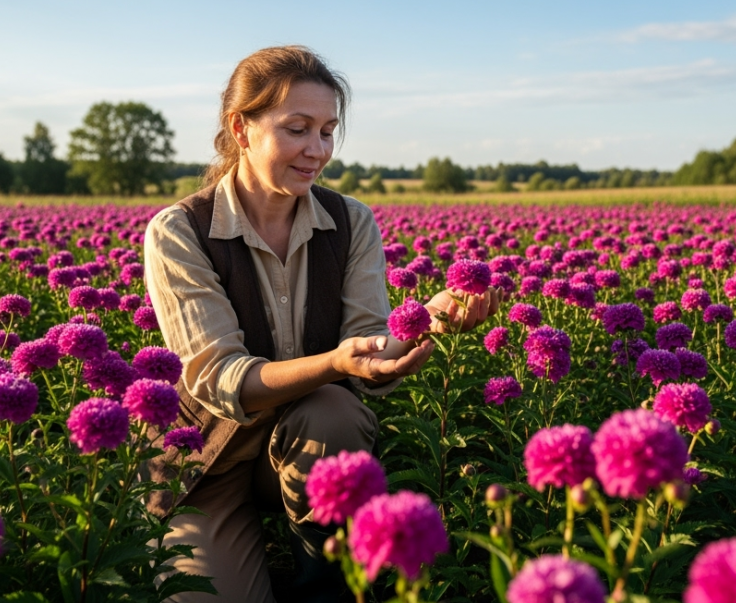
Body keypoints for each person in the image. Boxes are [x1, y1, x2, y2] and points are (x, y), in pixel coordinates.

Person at [142, 46, 502, 603]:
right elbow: (222, 377)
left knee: (336, 409)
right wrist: (334, 363)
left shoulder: (350, 220)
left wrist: (430, 317)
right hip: (208, 457)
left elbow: (367, 348)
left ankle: (324, 581)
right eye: (297, 129)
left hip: (308, 440)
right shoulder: (180, 230)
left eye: (328, 131)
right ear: (242, 129)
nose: (317, 150)